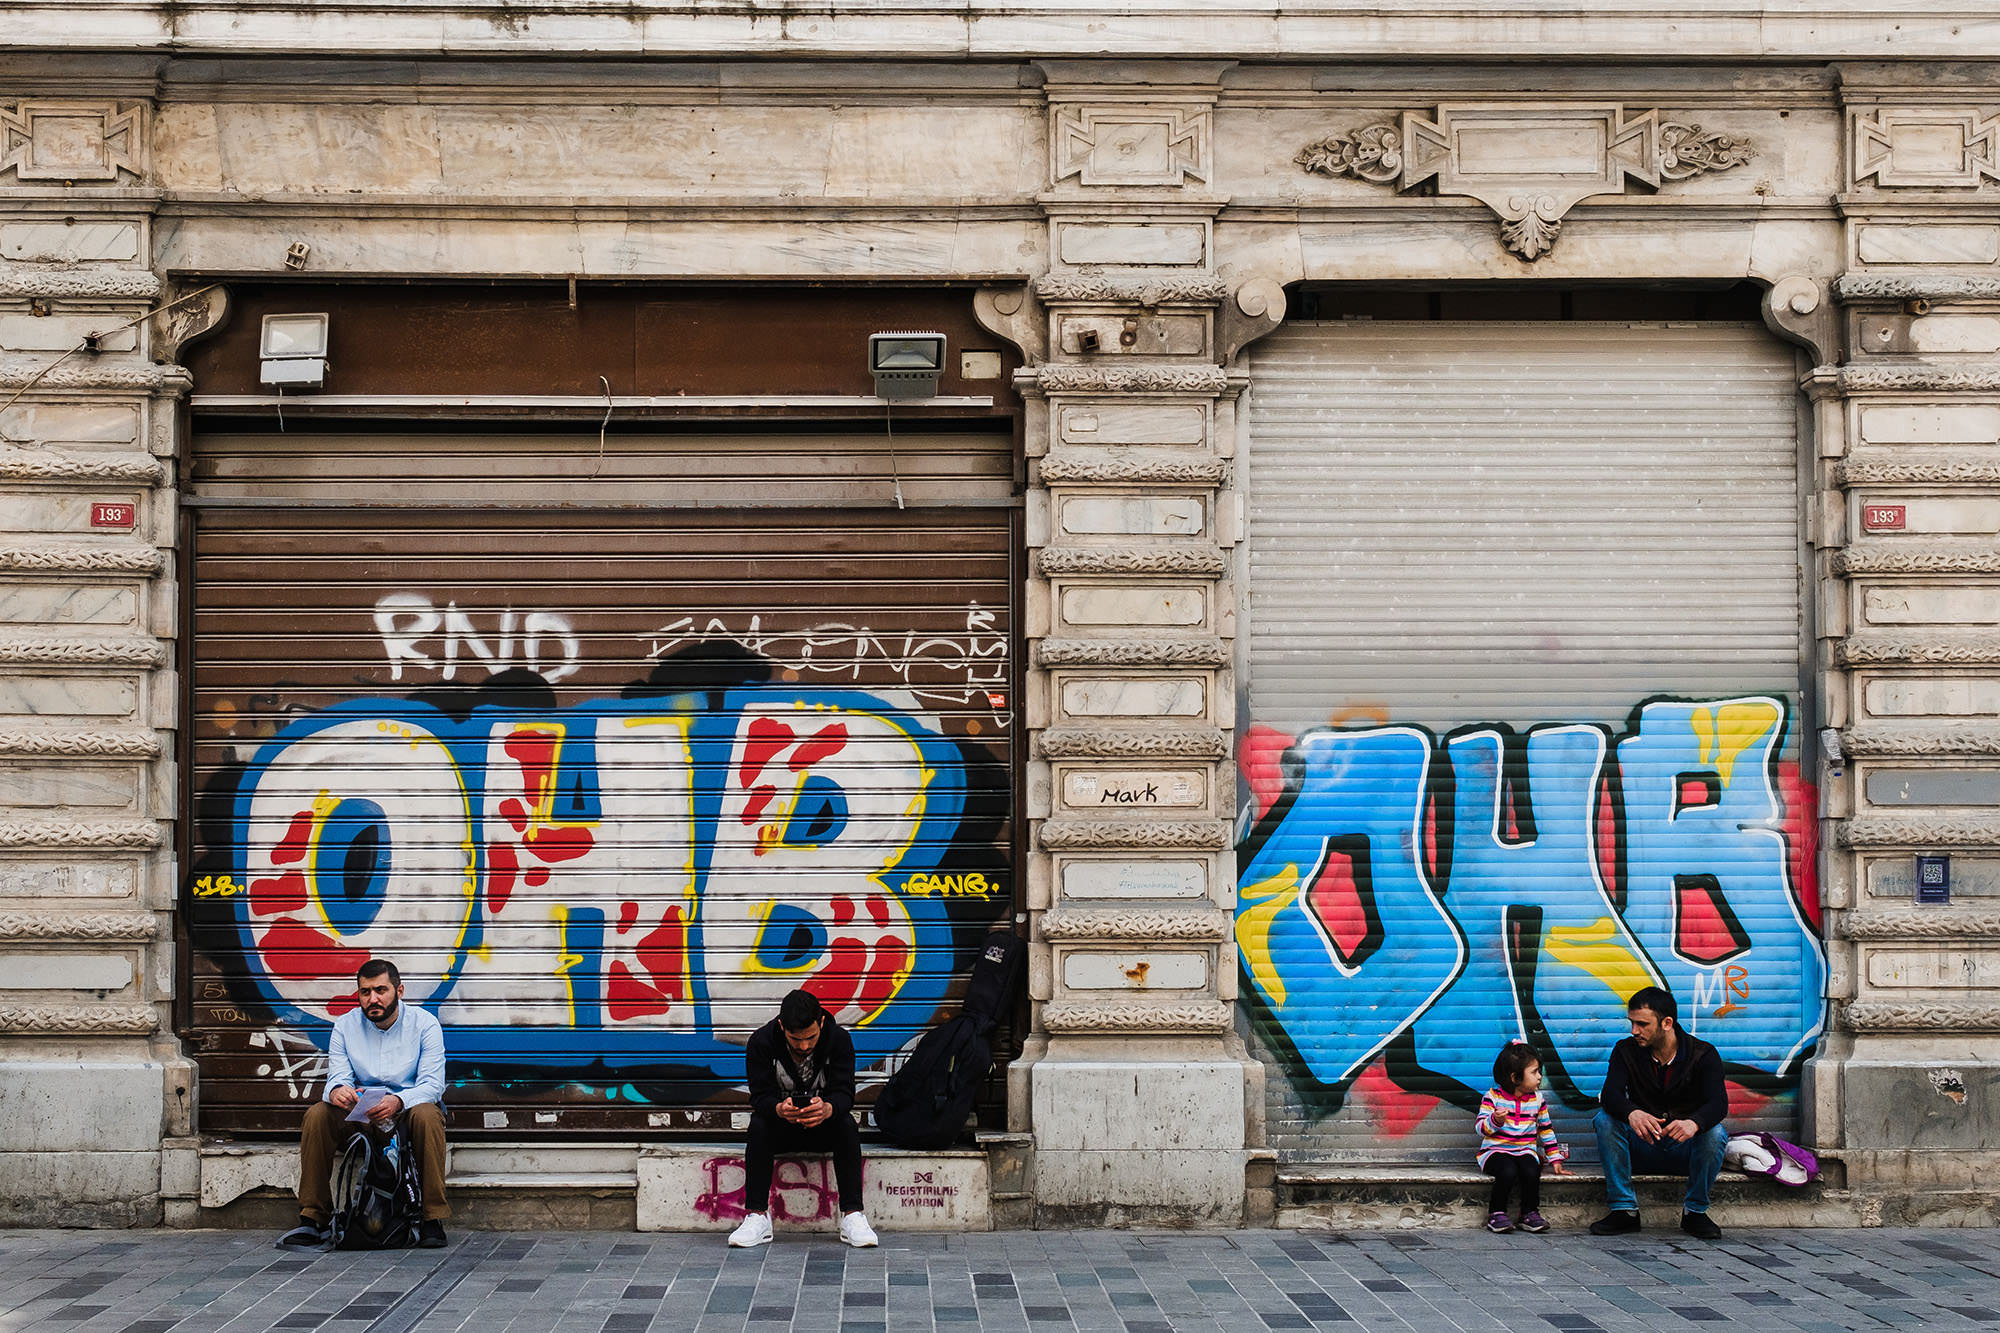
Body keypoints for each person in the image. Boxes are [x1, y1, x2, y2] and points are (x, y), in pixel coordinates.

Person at [278, 959, 450, 1248]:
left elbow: (432, 1085)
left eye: (381, 990)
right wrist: (336, 1091)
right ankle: (313, 1218)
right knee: (318, 1115)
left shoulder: (425, 1025)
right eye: (365, 992)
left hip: (405, 1115)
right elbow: (338, 1077)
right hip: (361, 1117)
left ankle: (432, 1218)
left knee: (428, 1115)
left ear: (399, 990)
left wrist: (398, 1101)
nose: (373, 999)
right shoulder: (345, 1026)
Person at [728, 989, 878, 1248]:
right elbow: (759, 1097)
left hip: (824, 1127)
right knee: (759, 1126)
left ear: (821, 1022)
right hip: (781, 1128)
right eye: (795, 1040)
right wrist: (778, 1109)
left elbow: (845, 1093)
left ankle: (853, 1215)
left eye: (811, 1038)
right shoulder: (761, 1042)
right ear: (781, 1026)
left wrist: (828, 1109)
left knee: (846, 1125)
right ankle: (757, 1216)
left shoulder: (839, 1040)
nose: (804, 1046)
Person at [1589, 985, 1730, 1240]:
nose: (1634, 1031)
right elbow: (1610, 1094)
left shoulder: (1703, 1054)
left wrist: (1694, 1123)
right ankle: (1624, 1211)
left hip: (1684, 1150)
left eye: (1642, 1024)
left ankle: (1695, 1212)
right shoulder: (1625, 1050)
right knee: (1605, 1120)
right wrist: (1632, 1113)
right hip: (1642, 1147)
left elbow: (1719, 1103)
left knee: (1715, 1133)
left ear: (1667, 1023)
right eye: (1632, 1023)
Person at [1476, 1039, 1570, 1234]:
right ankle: (1496, 1214)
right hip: (1495, 1151)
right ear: (1515, 1077)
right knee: (1507, 1171)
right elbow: (1480, 1128)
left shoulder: (1537, 1100)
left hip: (1525, 1150)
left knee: (1531, 1169)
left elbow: (1546, 1130)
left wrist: (1555, 1159)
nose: (1539, 1077)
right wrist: (1495, 1120)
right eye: (1534, 1072)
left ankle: (1529, 1213)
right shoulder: (1493, 1097)